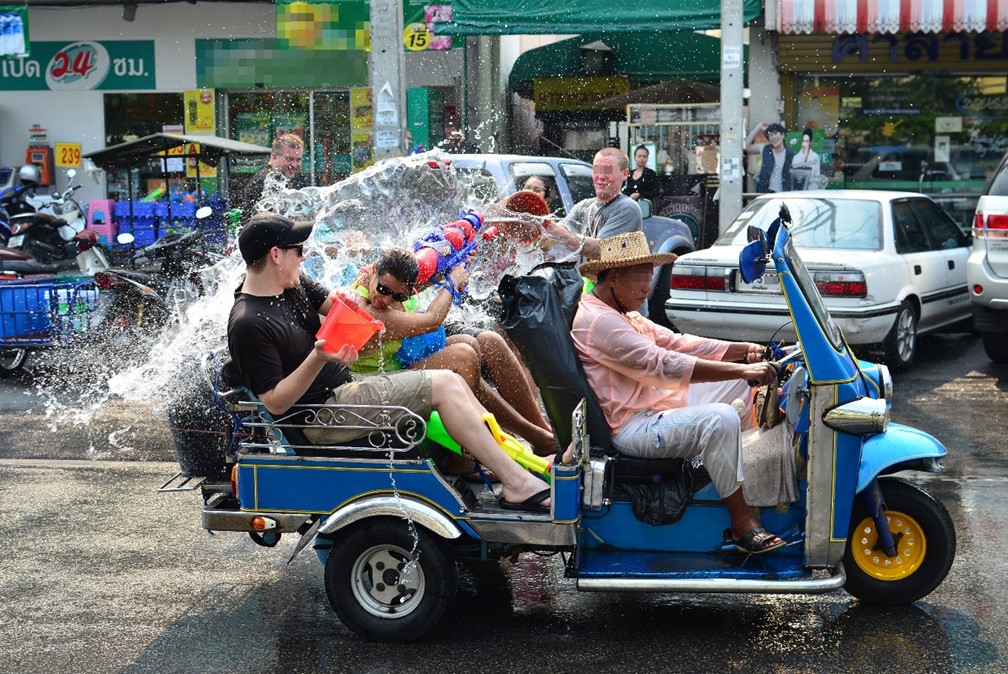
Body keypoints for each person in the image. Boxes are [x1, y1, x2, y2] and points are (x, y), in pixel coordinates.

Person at [227, 213, 552, 511]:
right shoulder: (249, 322)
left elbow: (342, 308)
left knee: (452, 377)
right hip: (321, 417)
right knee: (444, 382)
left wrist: (351, 297)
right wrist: (317, 357)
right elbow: (276, 402)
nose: (303, 257)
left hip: (344, 390)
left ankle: (521, 464)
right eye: (297, 250)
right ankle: (517, 479)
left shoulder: (293, 286)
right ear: (275, 255)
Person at [570, 231, 785, 554]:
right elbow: (664, 363)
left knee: (741, 386)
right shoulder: (600, 322)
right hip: (631, 427)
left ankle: (729, 483)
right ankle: (741, 522)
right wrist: (743, 367)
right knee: (721, 418)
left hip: (654, 404)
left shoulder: (623, 314)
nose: (647, 290)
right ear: (614, 277)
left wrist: (744, 351)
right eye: (641, 282)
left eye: (649, 280)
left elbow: (676, 342)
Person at [351, 248, 556, 456]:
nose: (386, 300)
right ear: (374, 270)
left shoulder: (383, 283)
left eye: (398, 296)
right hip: (377, 381)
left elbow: (417, 283)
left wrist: (454, 262)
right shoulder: (368, 310)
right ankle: (476, 451)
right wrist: (452, 282)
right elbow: (432, 321)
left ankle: (541, 430)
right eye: (384, 290)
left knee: (487, 342)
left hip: (402, 361)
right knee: (463, 356)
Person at [541, 147, 642, 260]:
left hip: (617, 277)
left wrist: (559, 232)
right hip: (589, 277)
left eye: (608, 170)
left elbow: (602, 250)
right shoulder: (583, 207)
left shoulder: (627, 208)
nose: (602, 176)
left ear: (625, 174)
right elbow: (551, 235)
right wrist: (536, 230)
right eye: (597, 170)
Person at [239, 134, 306, 217]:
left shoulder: (281, 177)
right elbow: (270, 222)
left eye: (298, 160)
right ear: (274, 157)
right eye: (289, 159)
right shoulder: (265, 180)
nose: (295, 165)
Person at [745, 122, 794, 193]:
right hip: (765, 193)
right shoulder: (765, 150)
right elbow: (746, 146)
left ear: (783, 135)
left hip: (783, 194)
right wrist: (758, 127)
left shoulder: (790, 154)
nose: (773, 137)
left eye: (776, 133)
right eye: (771, 135)